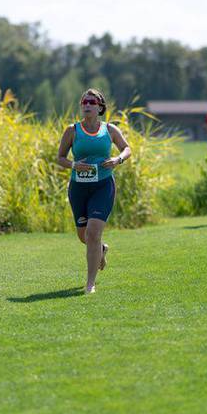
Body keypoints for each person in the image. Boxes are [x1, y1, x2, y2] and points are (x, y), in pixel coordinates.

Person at [56, 89, 131, 294]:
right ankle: (101, 249)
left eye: (91, 102)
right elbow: (60, 157)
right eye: (84, 102)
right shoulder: (72, 130)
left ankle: (90, 283)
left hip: (103, 186)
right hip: (78, 188)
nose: (87, 105)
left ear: (100, 107)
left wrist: (117, 160)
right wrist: (73, 165)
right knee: (84, 237)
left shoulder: (110, 129)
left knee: (93, 232)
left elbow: (127, 148)